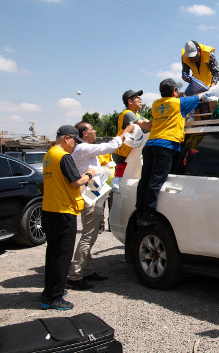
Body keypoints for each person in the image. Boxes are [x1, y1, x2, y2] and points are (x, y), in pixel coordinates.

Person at [65, 121, 136, 290]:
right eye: (91, 129)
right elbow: (111, 147)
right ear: (84, 134)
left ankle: (87, 270)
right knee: (88, 236)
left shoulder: (83, 149)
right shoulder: (82, 148)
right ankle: (75, 275)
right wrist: (126, 131)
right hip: (89, 198)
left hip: (93, 196)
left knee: (91, 235)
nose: (95, 131)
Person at [40, 125, 96, 310]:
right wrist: (90, 174)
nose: (75, 146)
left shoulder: (49, 155)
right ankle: (54, 297)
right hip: (63, 211)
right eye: (74, 141)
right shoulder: (63, 156)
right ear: (67, 138)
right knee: (62, 256)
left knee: (53, 253)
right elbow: (76, 181)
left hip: (49, 209)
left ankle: (49, 291)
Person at [136, 78, 202, 225]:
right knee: (156, 180)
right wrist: (210, 89)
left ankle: (139, 212)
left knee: (145, 180)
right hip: (166, 146)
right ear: (174, 92)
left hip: (150, 144)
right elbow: (200, 97)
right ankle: (149, 214)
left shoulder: (156, 104)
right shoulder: (179, 103)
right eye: (177, 90)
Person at [112, 89, 152, 166]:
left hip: (128, 154)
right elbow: (147, 126)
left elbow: (149, 123)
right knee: (121, 177)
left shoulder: (136, 115)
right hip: (122, 155)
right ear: (130, 101)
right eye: (138, 98)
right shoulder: (127, 114)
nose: (141, 100)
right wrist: (161, 116)